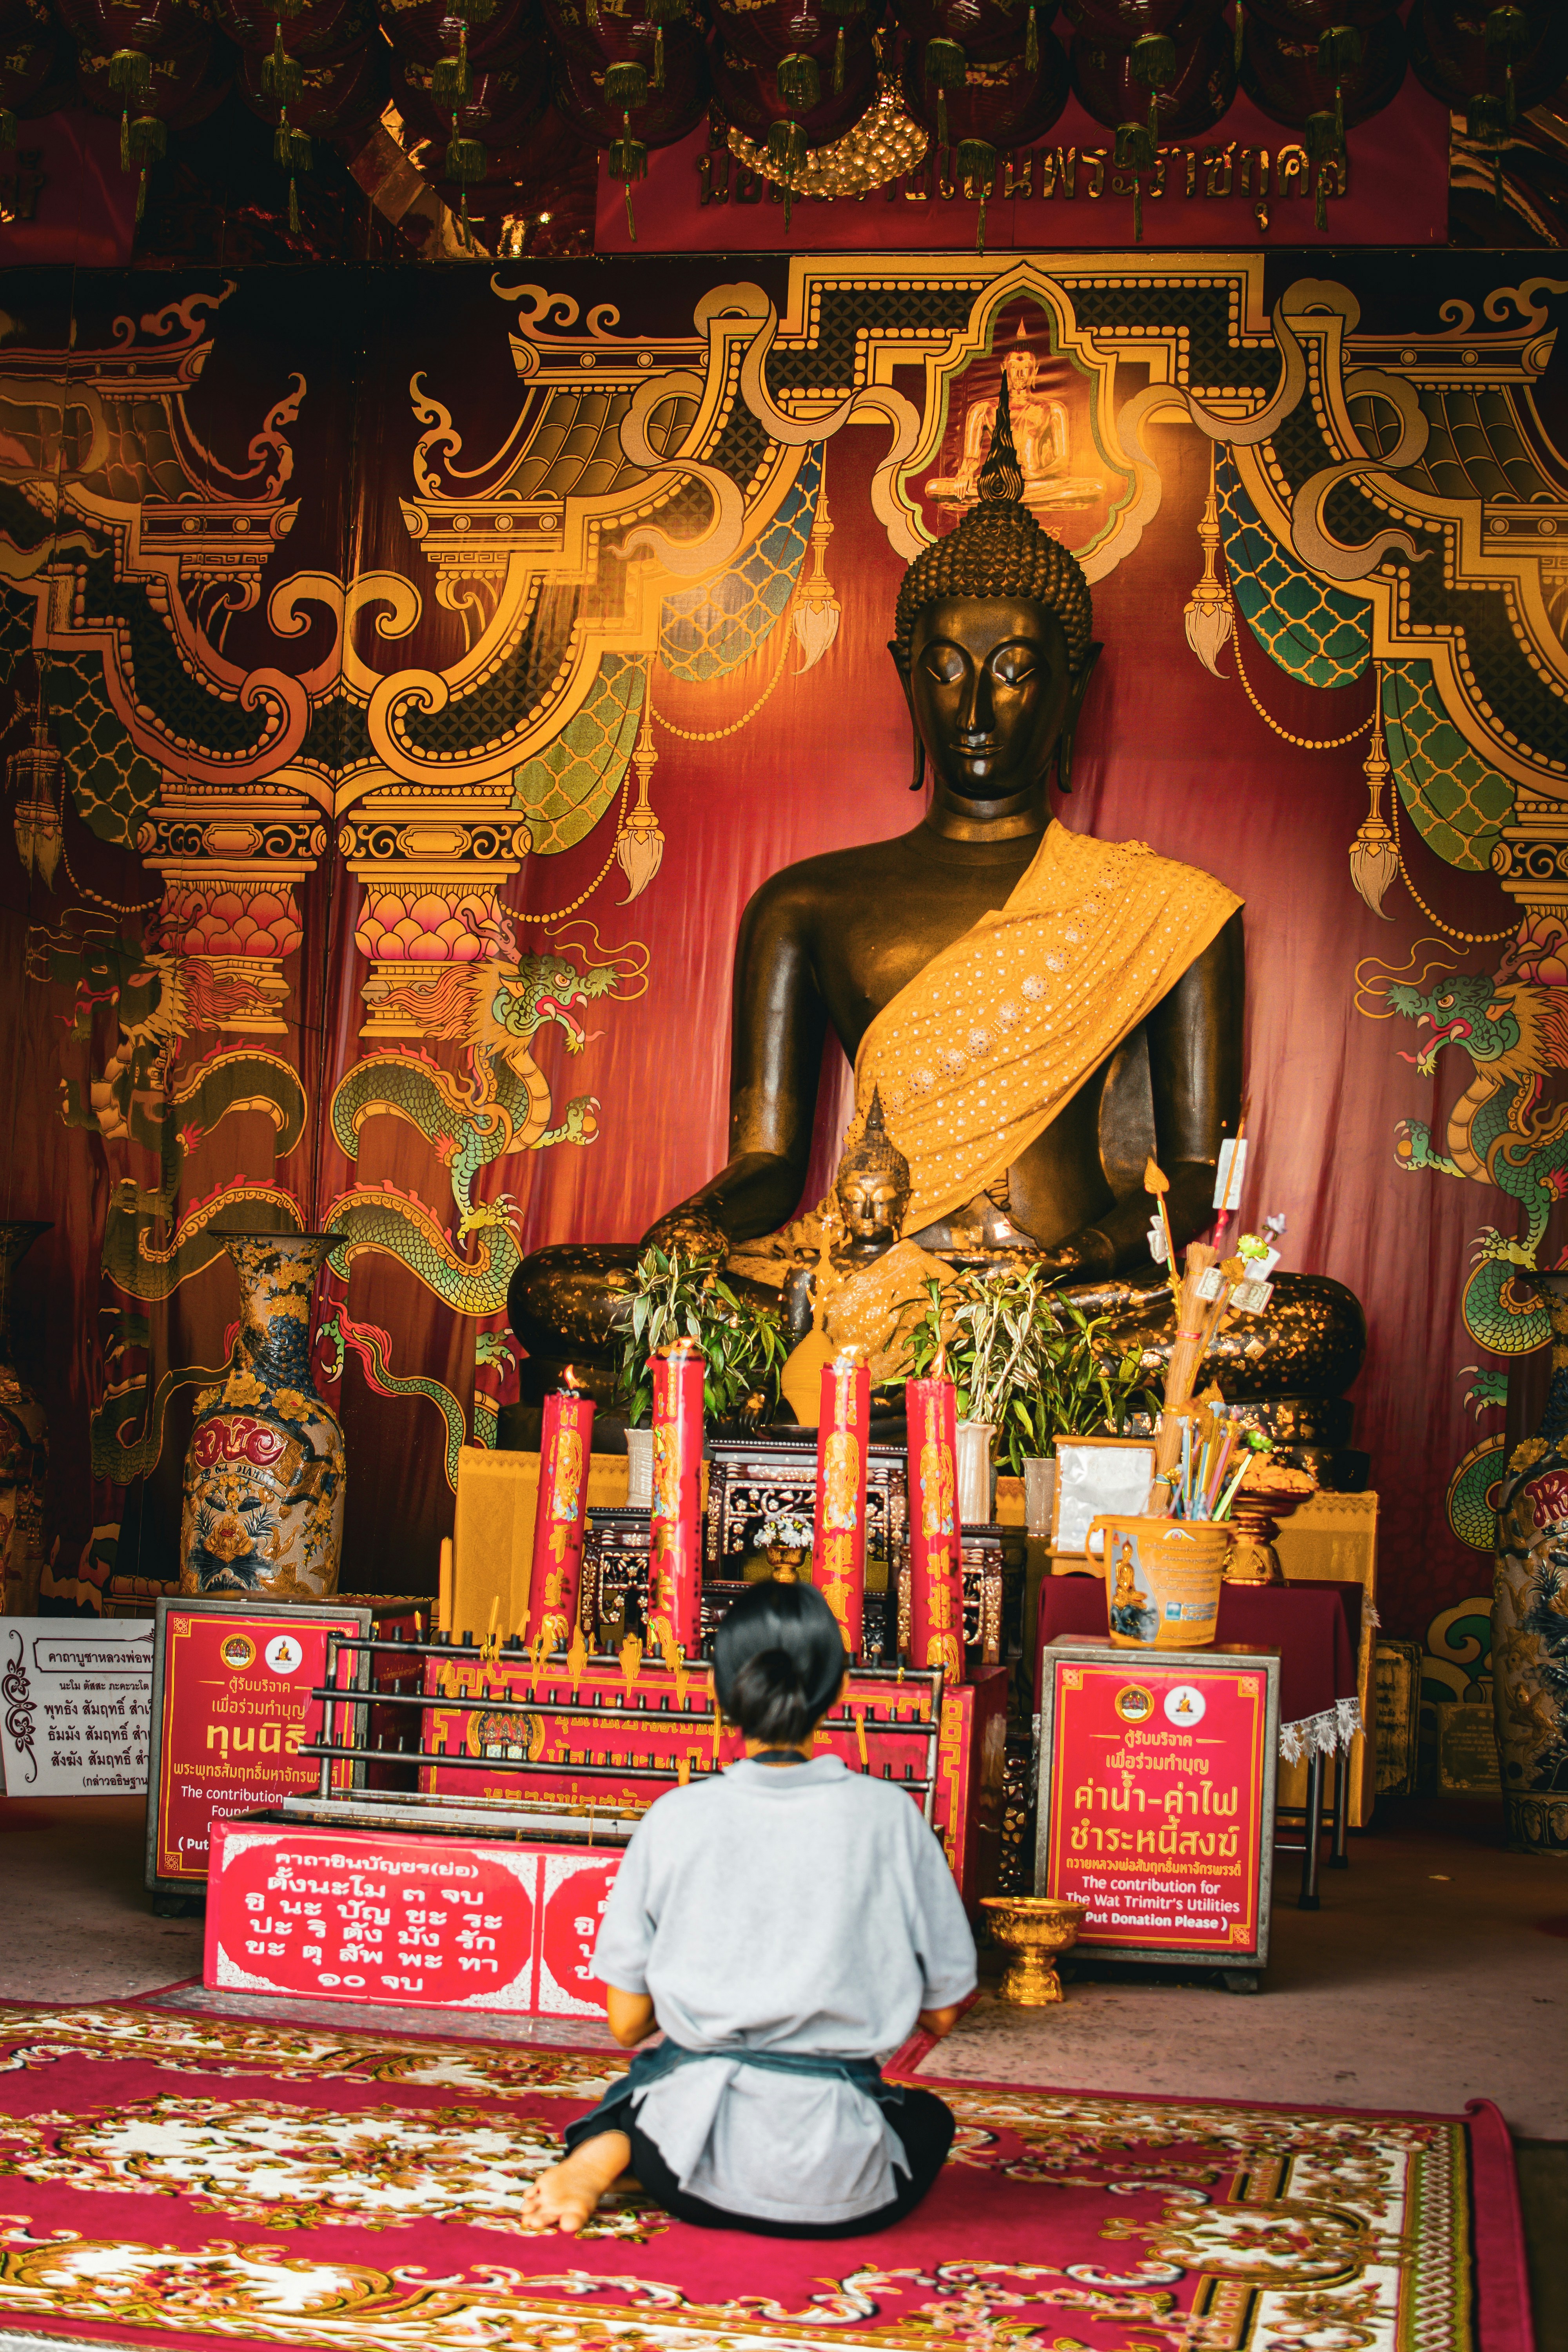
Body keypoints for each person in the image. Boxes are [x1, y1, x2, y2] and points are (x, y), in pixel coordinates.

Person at [519, 1580, 977, 2237]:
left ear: (722, 1688)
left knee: (649, 2084)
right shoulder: (891, 1817)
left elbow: (626, 2025)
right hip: (842, 2179)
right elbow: (942, 2009)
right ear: (838, 1689)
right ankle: (631, 2149)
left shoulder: (677, 1817)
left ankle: (613, 2150)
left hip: (686, 2163)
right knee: (927, 2117)